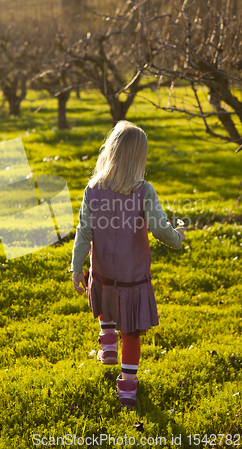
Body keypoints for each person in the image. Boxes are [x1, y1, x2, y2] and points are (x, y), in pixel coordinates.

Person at [70, 121, 185, 408]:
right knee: (132, 334)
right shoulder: (143, 190)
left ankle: (107, 339)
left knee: (106, 298)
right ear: (139, 158)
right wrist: (178, 237)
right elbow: (160, 230)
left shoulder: (93, 189)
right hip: (133, 277)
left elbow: (84, 232)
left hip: (103, 273)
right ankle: (127, 390)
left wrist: (76, 267)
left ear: (110, 151)